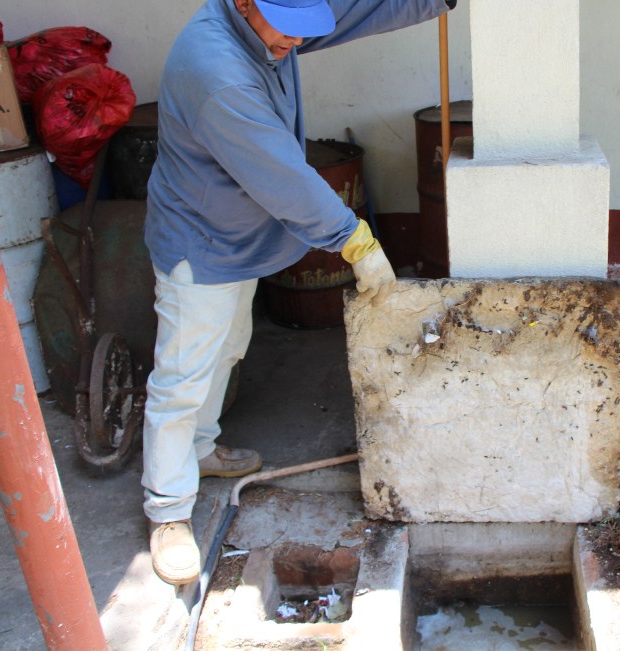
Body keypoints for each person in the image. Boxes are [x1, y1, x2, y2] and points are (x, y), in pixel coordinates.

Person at [142, 0, 455, 586]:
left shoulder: (273, 21)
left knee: (228, 348)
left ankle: (202, 450)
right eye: (289, 30)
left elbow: (356, 9)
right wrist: (354, 240)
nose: (297, 41)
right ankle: (167, 510)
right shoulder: (217, 72)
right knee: (183, 375)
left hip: (236, 235)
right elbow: (282, 173)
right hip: (201, 241)